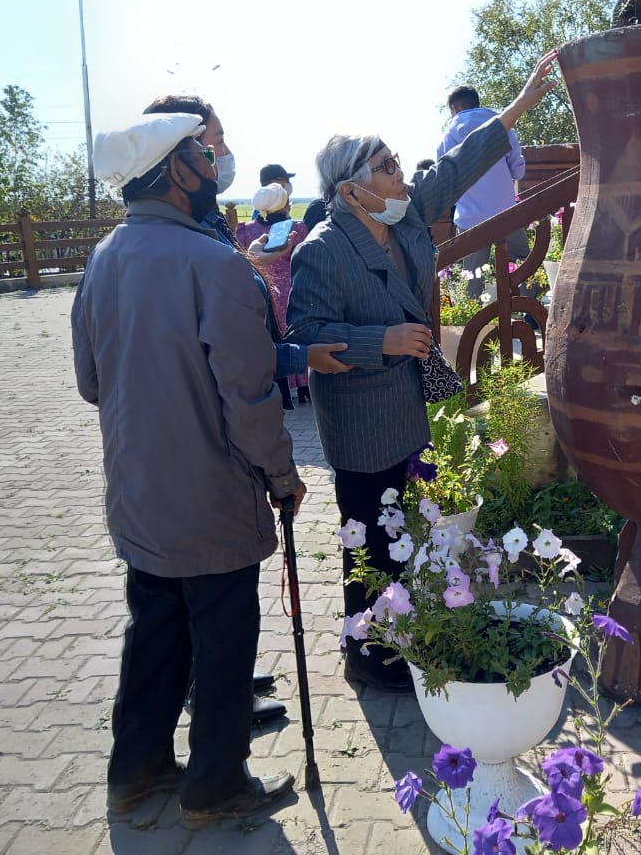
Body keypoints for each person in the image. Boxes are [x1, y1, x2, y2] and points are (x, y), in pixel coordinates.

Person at [285, 51, 559, 691]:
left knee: (408, 532)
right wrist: (381, 338)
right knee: (369, 545)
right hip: (357, 424)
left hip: (408, 414)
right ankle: (368, 656)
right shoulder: (322, 250)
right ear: (351, 187)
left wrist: (517, 105)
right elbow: (304, 337)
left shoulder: (401, 214)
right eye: (386, 167)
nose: (401, 173)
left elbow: (461, 166)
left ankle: (409, 635)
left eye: (397, 162)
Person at [72, 111, 302, 826]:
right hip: (211, 494)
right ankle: (215, 785)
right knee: (224, 639)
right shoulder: (216, 264)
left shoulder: (102, 257)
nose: (213, 165)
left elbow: (89, 381)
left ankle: (135, 771)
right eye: (203, 154)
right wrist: (282, 477)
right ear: (175, 171)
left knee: (155, 632)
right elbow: (251, 396)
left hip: (139, 493)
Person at [436, 84, 530, 299]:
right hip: (506, 212)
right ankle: (531, 315)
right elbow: (518, 170)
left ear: (454, 109)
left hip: (470, 219)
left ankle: (473, 326)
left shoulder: (447, 137)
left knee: (472, 274)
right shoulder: (502, 126)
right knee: (523, 262)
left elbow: (443, 180)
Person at [241, 183, 312, 408]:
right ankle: (304, 384)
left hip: (264, 293)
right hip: (294, 289)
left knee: (274, 337)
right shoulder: (297, 228)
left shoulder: (245, 230)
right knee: (297, 334)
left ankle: (282, 385)